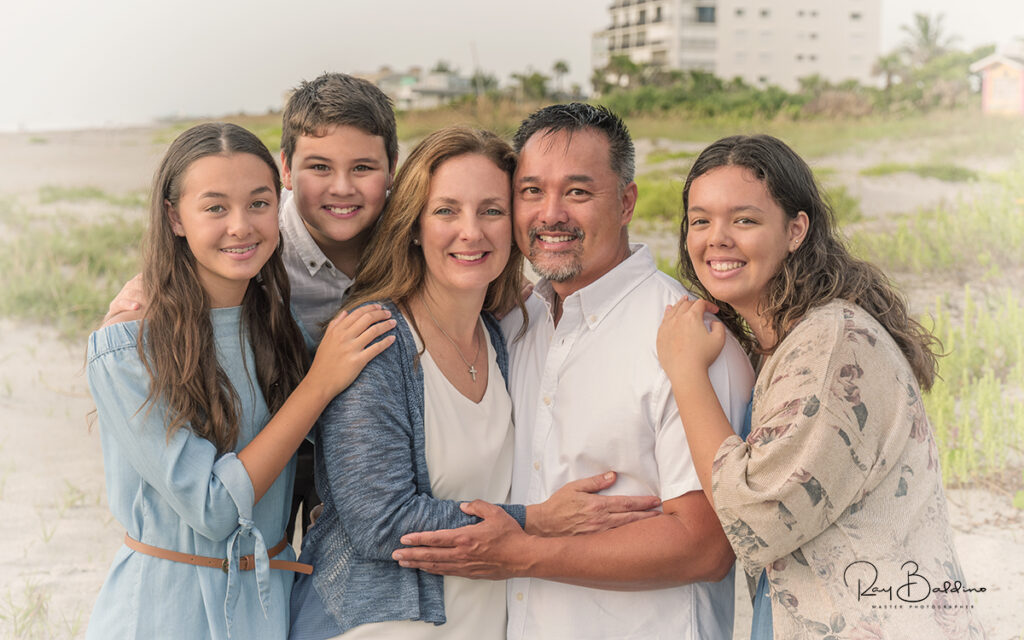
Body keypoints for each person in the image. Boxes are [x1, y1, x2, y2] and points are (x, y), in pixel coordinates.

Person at [393, 104, 755, 640]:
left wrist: (523, 553)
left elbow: (706, 548)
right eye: (531, 191)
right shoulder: (518, 323)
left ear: (626, 201)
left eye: (578, 193)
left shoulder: (686, 338)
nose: (551, 214)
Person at [288, 125, 661, 639]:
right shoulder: (374, 339)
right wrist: (537, 521)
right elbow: (380, 520)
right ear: (414, 225)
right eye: (446, 211)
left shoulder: (503, 332)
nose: (472, 231)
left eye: (491, 210)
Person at [655, 134, 985, 638]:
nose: (716, 238)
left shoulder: (831, 346)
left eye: (743, 219)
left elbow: (754, 516)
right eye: (700, 220)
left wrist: (685, 373)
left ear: (795, 230)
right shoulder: (788, 341)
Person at [85, 122, 395, 640]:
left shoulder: (278, 327)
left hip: (270, 608)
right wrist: (317, 384)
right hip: (165, 612)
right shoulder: (129, 346)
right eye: (214, 208)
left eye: (258, 203)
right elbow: (216, 510)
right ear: (173, 217)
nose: (241, 226)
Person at [102, 72, 400, 541]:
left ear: (392, 168)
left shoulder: (415, 238)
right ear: (286, 168)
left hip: (377, 436)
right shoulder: (255, 240)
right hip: (273, 431)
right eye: (319, 168)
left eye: (363, 168)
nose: (341, 188)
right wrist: (147, 290)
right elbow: (196, 251)